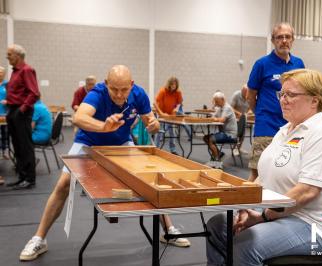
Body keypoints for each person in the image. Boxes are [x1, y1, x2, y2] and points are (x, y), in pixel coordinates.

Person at [19, 65, 189, 262]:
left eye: (124, 89)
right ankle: (39, 238)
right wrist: (103, 126)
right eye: (114, 89)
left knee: (150, 179)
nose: (118, 94)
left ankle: (169, 230)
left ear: (131, 85)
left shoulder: (139, 94)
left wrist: (154, 124)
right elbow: (79, 117)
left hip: (122, 143)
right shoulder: (98, 93)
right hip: (88, 142)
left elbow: (150, 120)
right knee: (63, 184)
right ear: (106, 84)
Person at [206, 69, 322, 266]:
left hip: (316, 224)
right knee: (218, 225)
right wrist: (246, 206)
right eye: (281, 94)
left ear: (314, 101)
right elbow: (263, 176)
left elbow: (307, 191)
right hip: (282, 213)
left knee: (245, 244)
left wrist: (263, 217)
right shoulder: (286, 130)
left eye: (291, 94)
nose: (283, 99)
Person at [247, 22, 305, 182]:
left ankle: (274, 206)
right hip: (266, 127)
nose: (284, 40)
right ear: (273, 40)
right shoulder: (261, 64)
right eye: (280, 37)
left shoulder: (299, 64)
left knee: (286, 172)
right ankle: (244, 207)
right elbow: (251, 94)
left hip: (291, 128)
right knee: (257, 172)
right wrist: (260, 112)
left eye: (287, 37)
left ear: (292, 40)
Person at [5, 44, 40, 190]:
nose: (7, 57)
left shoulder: (27, 70)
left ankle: (30, 179)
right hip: (13, 111)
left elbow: (34, 93)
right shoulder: (15, 72)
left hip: (22, 113)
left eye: (10, 54)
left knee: (25, 146)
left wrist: (22, 109)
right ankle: (22, 176)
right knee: (17, 146)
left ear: (18, 56)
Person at [203, 92, 237, 169]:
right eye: (215, 101)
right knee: (206, 138)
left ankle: (217, 160)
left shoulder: (227, 108)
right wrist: (214, 106)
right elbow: (213, 116)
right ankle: (219, 154)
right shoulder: (221, 108)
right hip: (224, 133)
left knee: (210, 139)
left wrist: (214, 118)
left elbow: (221, 120)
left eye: (217, 101)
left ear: (222, 100)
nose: (216, 103)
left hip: (230, 134)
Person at [154, 76, 184, 154]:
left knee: (172, 132)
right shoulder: (163, 91)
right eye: (172, 84)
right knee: (160, 132)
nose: (174, 86)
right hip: (162, 114)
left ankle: (173, 149)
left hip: (171, 116)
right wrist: (161, 113)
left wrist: (176, 109)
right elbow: (155, 103)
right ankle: (156, 147)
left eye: (175, 85)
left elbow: (180, 103)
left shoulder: (178, 92)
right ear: (169, 84)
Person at [0, 66, 8, 158]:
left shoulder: (7, 84)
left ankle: (4, 152)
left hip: (4, 114)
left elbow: (12, 96)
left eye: (1, 72)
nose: (0, 73)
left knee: (4, 133)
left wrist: (7, 101)